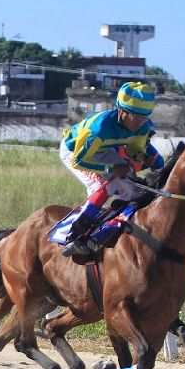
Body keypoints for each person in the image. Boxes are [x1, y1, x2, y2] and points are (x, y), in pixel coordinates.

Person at [49, 81, 165, 258]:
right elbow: (79, 161)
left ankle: (110, 230)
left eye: (144, 117)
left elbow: (134, 151)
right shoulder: (98, 128)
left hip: (104, 151)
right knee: (102, 186)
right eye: (135, 117)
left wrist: (143, 158)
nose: (140, 123)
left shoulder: (143, 126)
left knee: (132, 192)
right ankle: (75, 235)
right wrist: (110, 168)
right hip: (75, 152)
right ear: (121, 111)